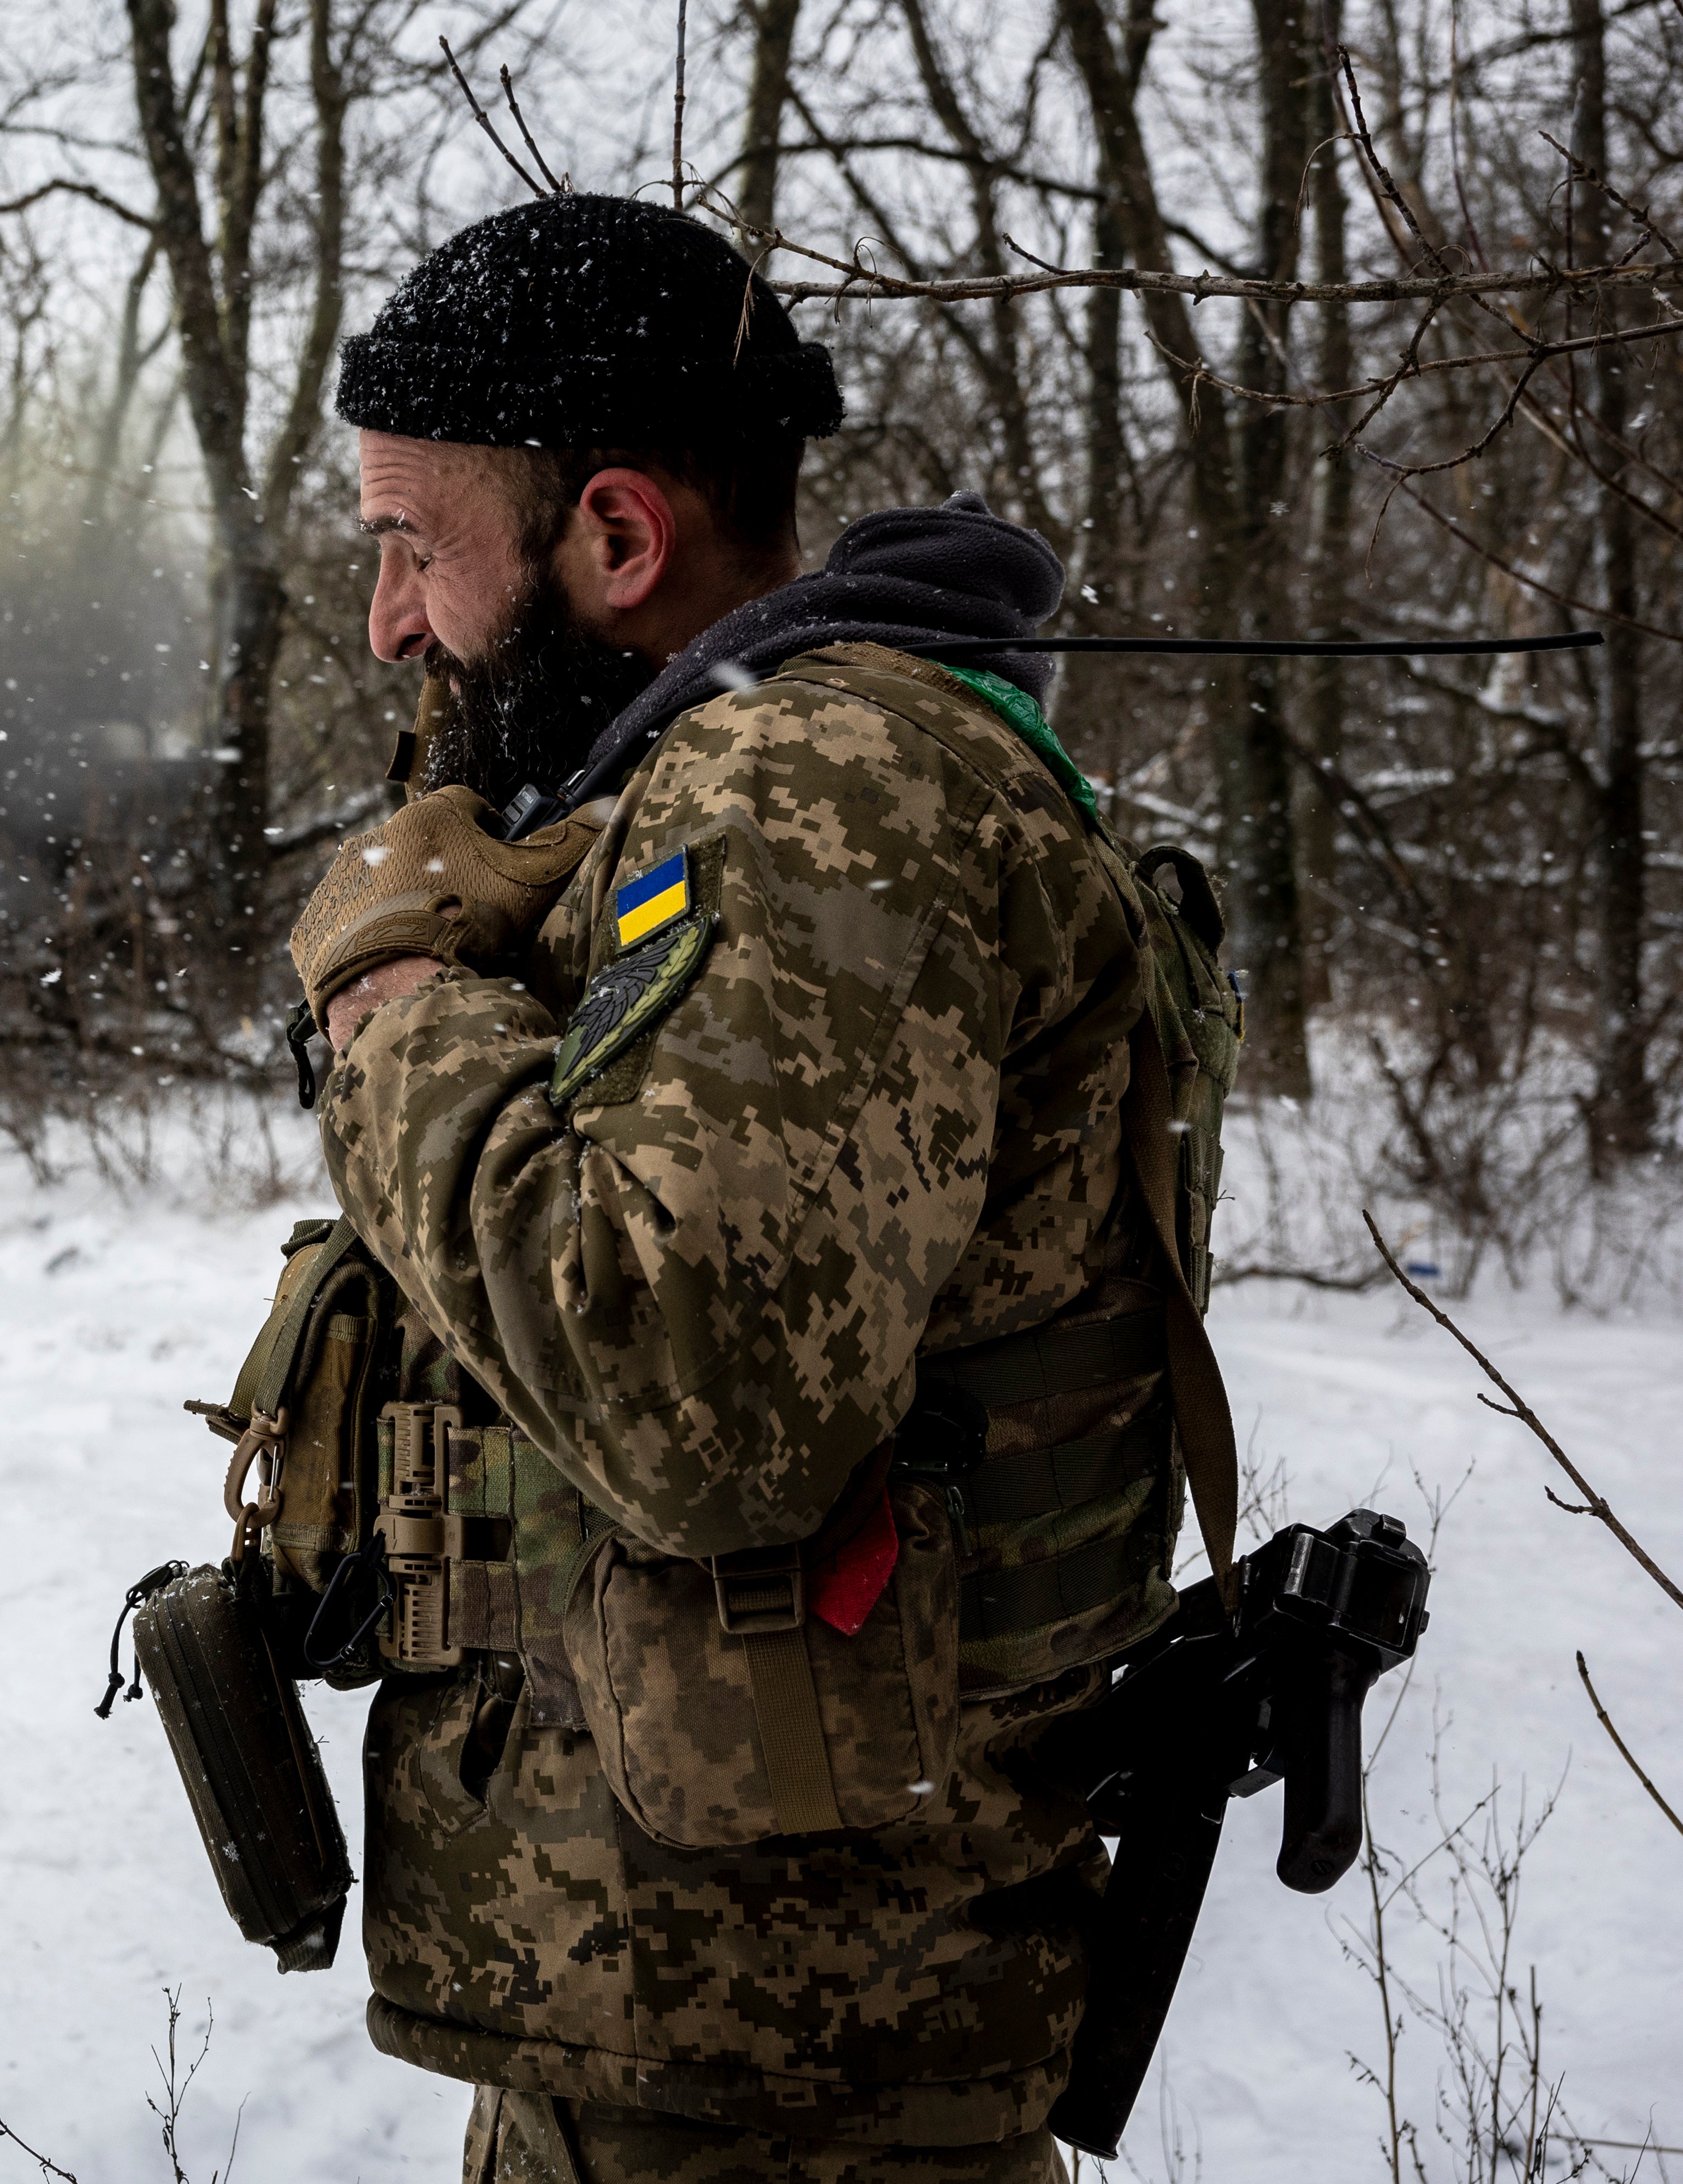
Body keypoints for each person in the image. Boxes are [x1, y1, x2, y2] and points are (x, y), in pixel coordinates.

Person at [283, 193, 1226, 2183]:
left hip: (788, 2073)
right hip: (702, 2025)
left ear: (619, 537)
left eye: (409, 545)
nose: (386, 622)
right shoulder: (720, 782)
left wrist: (391, 998)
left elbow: (692, 1397)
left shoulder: (823, 791)